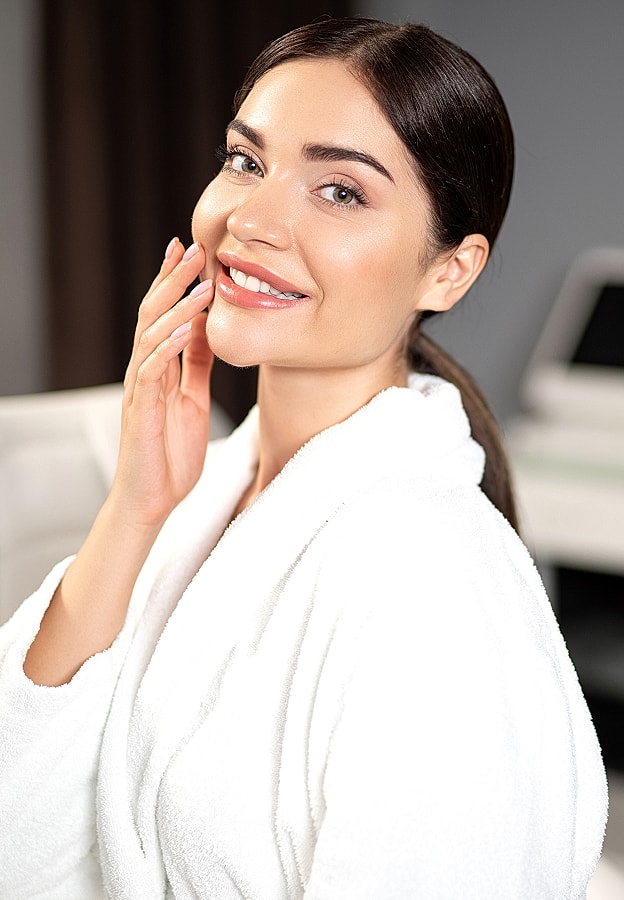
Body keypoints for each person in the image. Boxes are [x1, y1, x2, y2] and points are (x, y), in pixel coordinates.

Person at [0, 17, 607, 899]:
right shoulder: (206, 501)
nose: (251, 219)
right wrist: (133, 513)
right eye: (247, 161)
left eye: (341, 192)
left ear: (451, 271)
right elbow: (22, 837)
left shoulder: (432, 582)